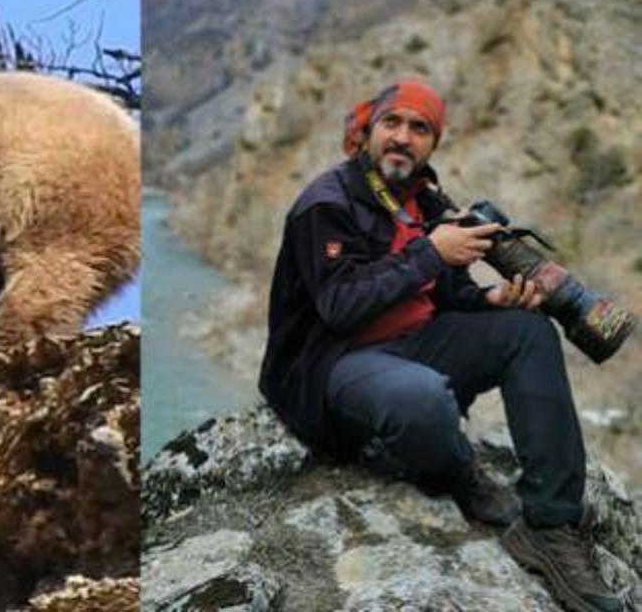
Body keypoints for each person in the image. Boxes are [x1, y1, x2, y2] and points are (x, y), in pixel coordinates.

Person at [258, 79, 623, 612]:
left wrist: (493, 297)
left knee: (528, 332)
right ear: (368, 132)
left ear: (433, 143)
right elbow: (340, 305)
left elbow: (445, 295)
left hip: (414, 345)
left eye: (419, 128)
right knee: (422, 400)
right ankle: (460, 473)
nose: (403, 137)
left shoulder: (425, 199)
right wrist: (432, 253)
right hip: (334, 366)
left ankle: (549, 523)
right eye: (392, 123)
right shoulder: (327, 204)